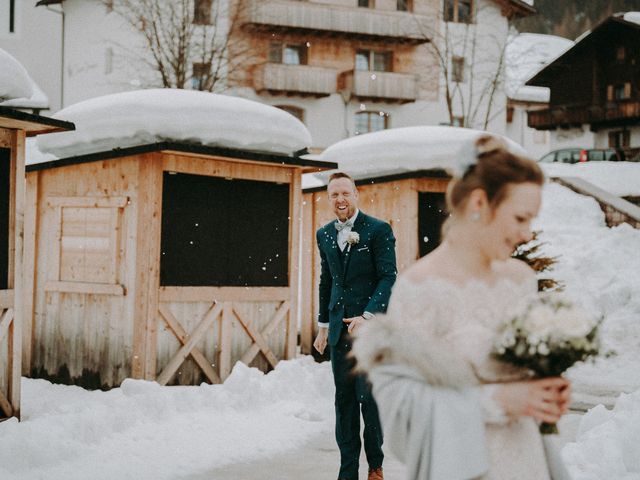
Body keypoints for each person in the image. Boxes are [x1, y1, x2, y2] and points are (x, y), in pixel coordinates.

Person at [352, 135, 571, 480]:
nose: (528, 234)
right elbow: (402, 414)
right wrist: (496, 402)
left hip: (528, 462)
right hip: (459, 467)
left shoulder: (521, 281)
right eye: (520, 218)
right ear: (479, 203)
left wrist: (546, 388)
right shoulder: (420, 287)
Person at [313, 172, 397, 480]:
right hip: (338, 334)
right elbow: (327, 281)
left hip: (369, 333)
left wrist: (368, 315)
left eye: (345, 193)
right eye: (334, 194)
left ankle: (375, 466)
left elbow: (389, 277)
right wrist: (323, 326)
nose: (340, 200)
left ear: (356, 194)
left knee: (369, 400)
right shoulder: (324, 234)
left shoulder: (377, 230)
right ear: (329, 198)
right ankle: (347, 471)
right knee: (344, 402)